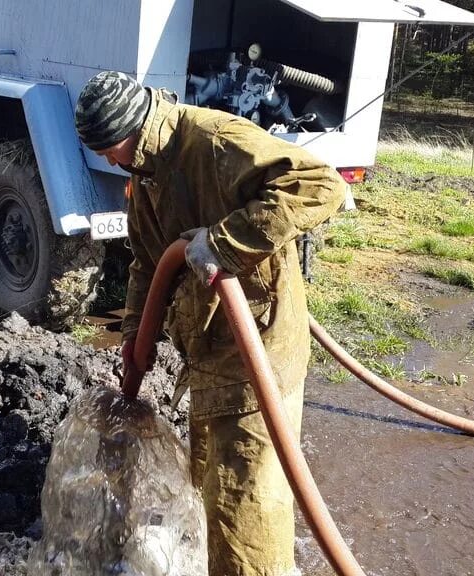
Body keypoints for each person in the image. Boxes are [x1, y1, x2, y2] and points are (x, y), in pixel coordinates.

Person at [74, 71, 346, 576]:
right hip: (210, 351)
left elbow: (318, 185)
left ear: (135, 127)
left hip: (255, 349)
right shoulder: (149, 169)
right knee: (212, 488)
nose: (110, 161)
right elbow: (146, 263)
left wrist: (224, 242)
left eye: (111, 148)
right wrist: (137, 335)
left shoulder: (213, 140)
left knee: (246, 508)